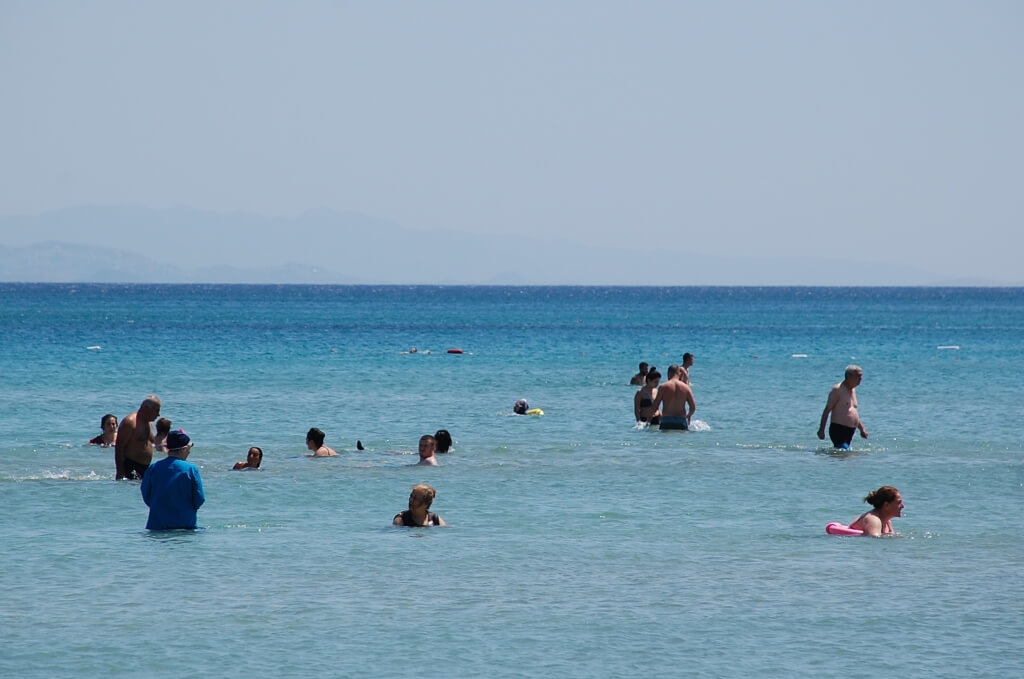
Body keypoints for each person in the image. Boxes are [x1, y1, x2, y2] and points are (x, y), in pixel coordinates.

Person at [140, 429, 205, 530]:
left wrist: (158, 506)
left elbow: (146, 493)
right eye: (190, 446)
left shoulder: (153, 468)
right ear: (183, 449)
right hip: (185, 523)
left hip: (157, 524)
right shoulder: (191, 469)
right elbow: (199, 498)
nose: (190, 451)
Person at [817, 365, 868, 449]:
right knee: (844, 451)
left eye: (861, 376)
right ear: (849, 376)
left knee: (846, 456)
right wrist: (821, 430)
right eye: (858, 376)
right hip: (838, 429)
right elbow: (827, 410)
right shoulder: (837, 390)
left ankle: (832, 459)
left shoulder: (853, 390)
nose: (860, 379)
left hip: (850, 431)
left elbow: (852, 411)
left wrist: (862, 429)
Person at [114, 395, 161, 480]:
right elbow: (119, 448)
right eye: (156, 410)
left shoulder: (149, 422)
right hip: (131, 466)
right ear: (147, 409)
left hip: (145, 467)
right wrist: (120, 473)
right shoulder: (130, 422)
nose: (158, 414)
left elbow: (152, 442)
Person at [651, 365, 696, 430]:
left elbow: (655, 407)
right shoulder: (686, 388)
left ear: (668, 373)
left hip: (666, 420)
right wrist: (689, 415)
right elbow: (693, 407)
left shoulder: (663, 387)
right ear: (679, 373)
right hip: (681, 420)